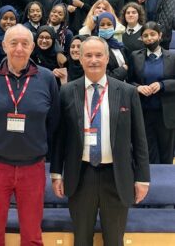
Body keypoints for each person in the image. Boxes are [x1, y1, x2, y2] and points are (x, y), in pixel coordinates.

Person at [50, 36, 150, 246]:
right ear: (80, 59)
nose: (93, 60)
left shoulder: (127, 92)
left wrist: (142, 178)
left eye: (98, 55)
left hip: (116, 176)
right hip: (80, 176)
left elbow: (139, 139)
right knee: (82, 240)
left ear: (106, 58)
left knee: (114, 240)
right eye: (88, 55)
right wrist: (56, 172)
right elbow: (60, 137)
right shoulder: (67, 91)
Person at [0, 23, 60, 246]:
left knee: (32, 236)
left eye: (25, 43)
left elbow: (54, 123)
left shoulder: (47, 79)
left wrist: (33, 143)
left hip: (33, 167)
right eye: (14, 43)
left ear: (33, 47)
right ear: (4, 46)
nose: (19, 48)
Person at [128, 21, 175, 164]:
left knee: (166, 154)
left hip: (166, 114)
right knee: (148, 154)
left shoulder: (172, 57)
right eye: (145, 35)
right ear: (141, 38)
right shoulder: (135, 56)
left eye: (153, 34)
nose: (149, 38)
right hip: (143, 112)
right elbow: (128, 81)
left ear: (160, 36)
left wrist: (162, 85)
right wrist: (137, 88)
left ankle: (167, 186)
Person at [96, 11, 128, 81]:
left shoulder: (119, 46)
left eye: (109, 24)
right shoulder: (96, 47)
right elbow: (104, 76)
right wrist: (123, 69)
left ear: (114, 26)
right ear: (98, 27)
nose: (105, 27)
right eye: (102, 25)